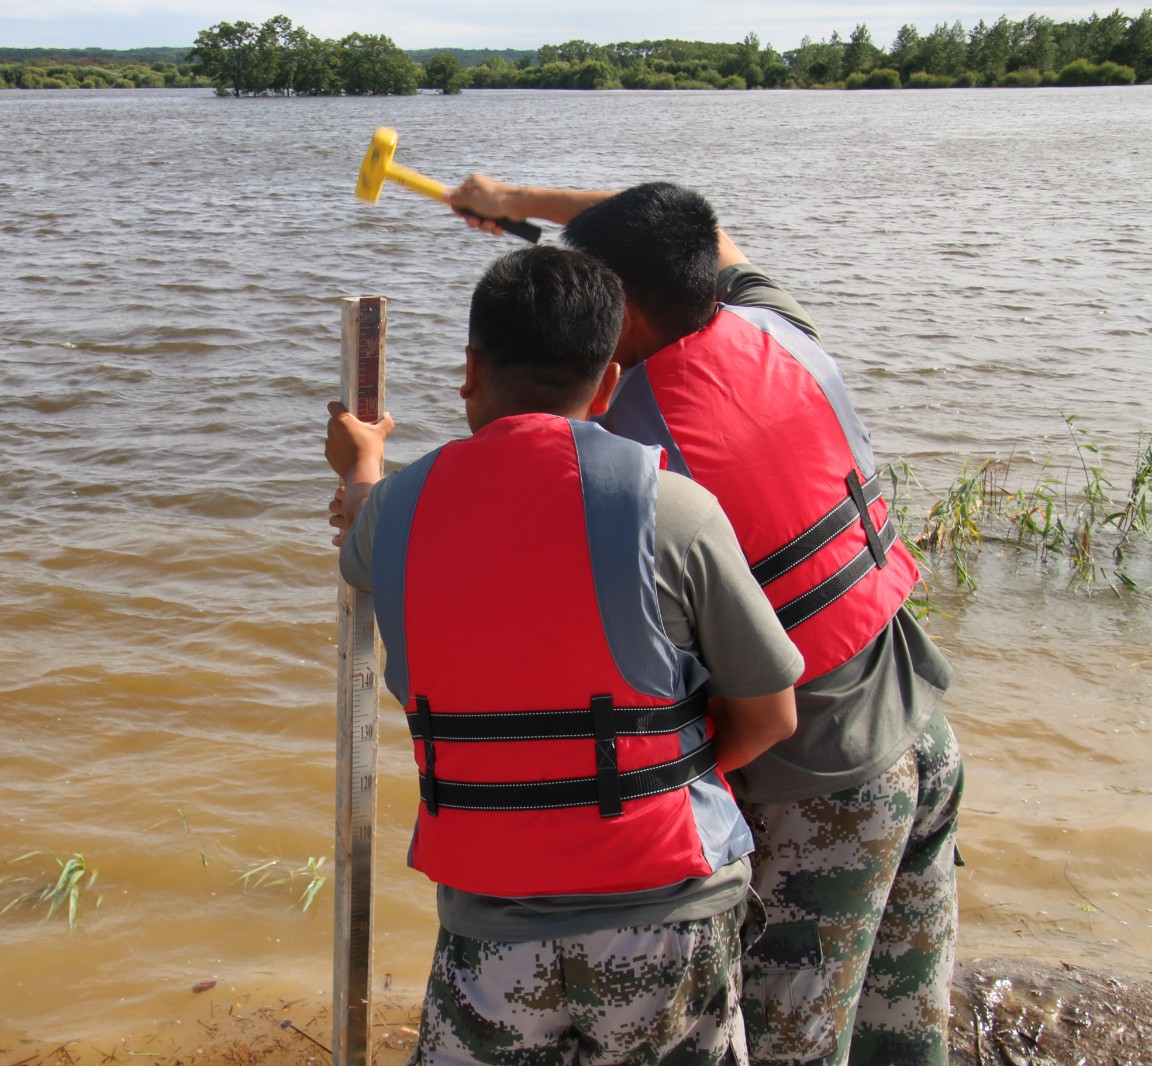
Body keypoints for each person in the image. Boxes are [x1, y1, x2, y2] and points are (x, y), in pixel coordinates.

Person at [446, 176, 963, 1066]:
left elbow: (495, 523)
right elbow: (700, 229)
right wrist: (511, 195)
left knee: (785, 1044)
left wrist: (372, 497)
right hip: (920, 726)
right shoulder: (773, 327)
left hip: (818, 787)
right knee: (901, 1033)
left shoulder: (635, 453)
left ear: (625, 310)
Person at [324, 245, 802, 1065]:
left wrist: (364, 459)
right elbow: (770, 714)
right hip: (666, 912)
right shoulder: (676, 512)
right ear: (610, 383)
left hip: (489, 922)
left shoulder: (395, 516)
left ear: (469, 369)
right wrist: (643, 777)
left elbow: (362, 526)